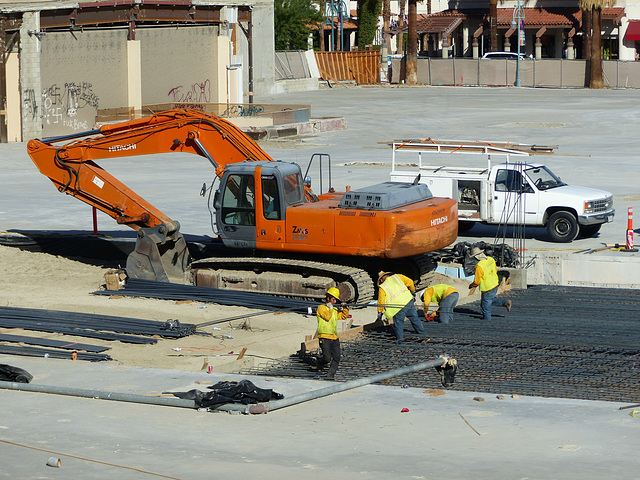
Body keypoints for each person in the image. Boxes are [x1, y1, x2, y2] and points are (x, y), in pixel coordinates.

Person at [376, 271, 427, 344]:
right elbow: (410, 282)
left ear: (381, 280)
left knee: (398, 323)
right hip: (408, 301)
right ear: (388, 275)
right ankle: (424, 335)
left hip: (398, 307)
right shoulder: (398, 277)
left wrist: (380, 312)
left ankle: (400, 340)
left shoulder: (383, 287)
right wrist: (412, 291)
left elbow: (381, 301)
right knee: (415, 319)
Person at [468, 247, 512, 321]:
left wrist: (472, 285)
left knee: (485, 307)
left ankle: (487, 322)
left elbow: (477, 281)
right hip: (494, 284)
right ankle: (505, 302)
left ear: (476, 257)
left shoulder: (479, 266)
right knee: (488, 300)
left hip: (487, 288)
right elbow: (495, 270)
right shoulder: (490, 259)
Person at [316, 287, 349, 380]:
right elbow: (326, 317)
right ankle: (319, 361)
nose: (334, 302)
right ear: (328, 299)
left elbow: (343, 316)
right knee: (327, 358)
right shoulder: (321, 308)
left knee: (337, 357)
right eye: (333, 299)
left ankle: (330, 375)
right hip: (324, 337)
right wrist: (330, 309)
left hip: (334, 337)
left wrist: (345, 308)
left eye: (335, 300)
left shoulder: (334, 310)